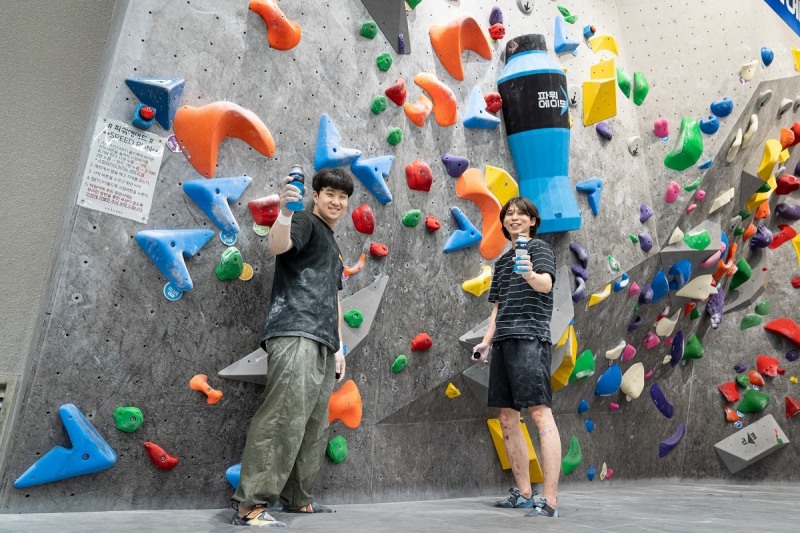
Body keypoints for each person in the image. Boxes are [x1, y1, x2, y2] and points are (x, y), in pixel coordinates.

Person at [231, 168, 354, 527]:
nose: (336, 201)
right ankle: (250, 505)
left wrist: (339, 347)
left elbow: (334, 298)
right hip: (295, 329)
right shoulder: (304, 221)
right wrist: (285, 213)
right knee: (283, 415)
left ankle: (298, 499)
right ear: (315, 195)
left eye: (343, 196)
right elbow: (277, 246)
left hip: (323, 341)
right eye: (330, 193)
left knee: (314, 425)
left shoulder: (332, 242)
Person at [472, 196, 561, 519]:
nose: (514, 218)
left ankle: (549, 501)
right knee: (507, 417)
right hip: (503, 341)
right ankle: (524, 493)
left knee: (539, 414)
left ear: (532, 221)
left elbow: (546, 285)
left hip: (530, 339)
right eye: (508, 214)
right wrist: (486, 342)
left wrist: (529, 274)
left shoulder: (540, 249)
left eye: (521, 214)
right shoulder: (501, 262)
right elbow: (498, 308)